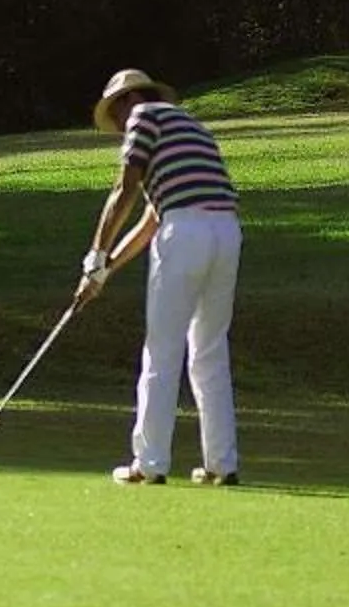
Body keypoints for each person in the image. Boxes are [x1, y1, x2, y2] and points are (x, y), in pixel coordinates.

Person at [80, 69, 242, 487]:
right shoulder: (188, 126)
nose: (117, 128)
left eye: (114, 116)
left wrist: (94, 257)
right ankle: (221, 464)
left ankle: (149, 463)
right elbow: (153, 219)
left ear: (123, 103)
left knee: (162, 350)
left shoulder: (142, 118)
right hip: (226, 232)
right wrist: (105, 271)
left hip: (186, 233)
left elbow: (124, 190)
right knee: (209, 350)